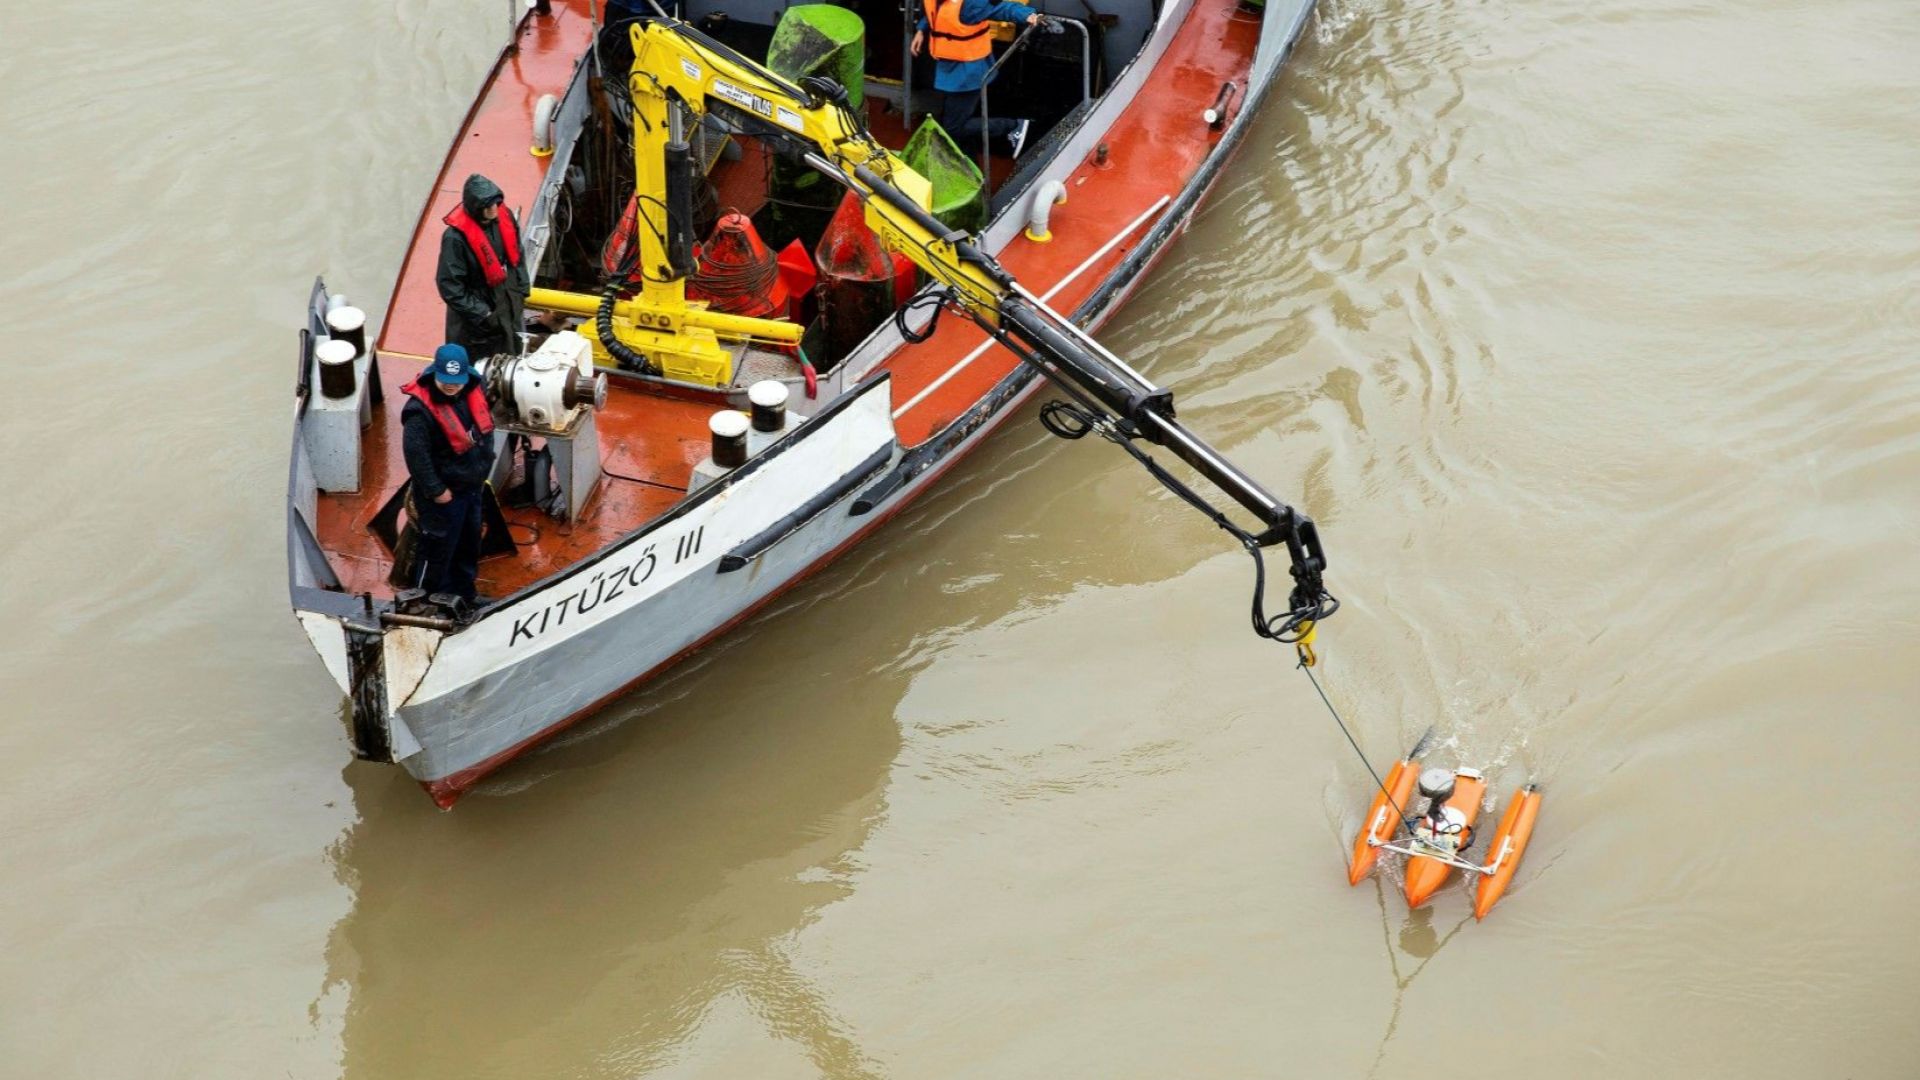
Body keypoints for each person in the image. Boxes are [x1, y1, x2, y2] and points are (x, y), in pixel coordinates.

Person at [402, 344, 498, 605]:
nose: (450, 386)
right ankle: (426, 600)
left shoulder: (473, 391)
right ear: (435, 372)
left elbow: (485, 432)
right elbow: (416, 455)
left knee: (468, 543)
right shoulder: (419, 412)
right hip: (444, 495)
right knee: (437, 548)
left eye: (456, 381)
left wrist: (483, 470)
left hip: (472, 488)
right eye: (445, 380)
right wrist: (436, 490)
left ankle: (464, 595)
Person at [912, 0, 1042, 158]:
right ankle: (969, 163)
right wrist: (921, 30)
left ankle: (1012, 126)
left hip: (968, 72)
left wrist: (1028, 15)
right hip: (949, 66)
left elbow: (1003, 8)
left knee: (953, 128)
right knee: (957, 125)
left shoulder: (970, 4)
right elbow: (933, 13)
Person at [436, 174, 533, 361]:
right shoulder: (454, 238)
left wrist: (522, 288)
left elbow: (517, 254)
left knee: (512, 359)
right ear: (476, 208)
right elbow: (450, 286)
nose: (493, 209)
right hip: (477, 321)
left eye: (496, 203)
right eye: (488, 206)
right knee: (481, 367)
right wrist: (483, 314)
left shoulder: (505, 217)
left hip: (508, 304)